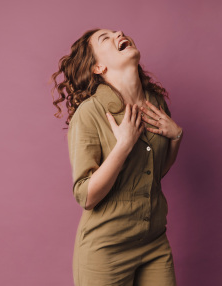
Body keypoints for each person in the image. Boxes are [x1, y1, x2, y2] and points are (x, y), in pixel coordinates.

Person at [52, 28, 183, 286]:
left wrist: (176, 137)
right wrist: (123, 145)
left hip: (154, 241)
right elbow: (86, 196)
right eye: (106, 38)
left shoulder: (155, 103)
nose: (119, 33)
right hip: (106, 248)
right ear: (98, 67)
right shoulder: (90, 113)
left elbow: (152, 173)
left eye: (116, 32)